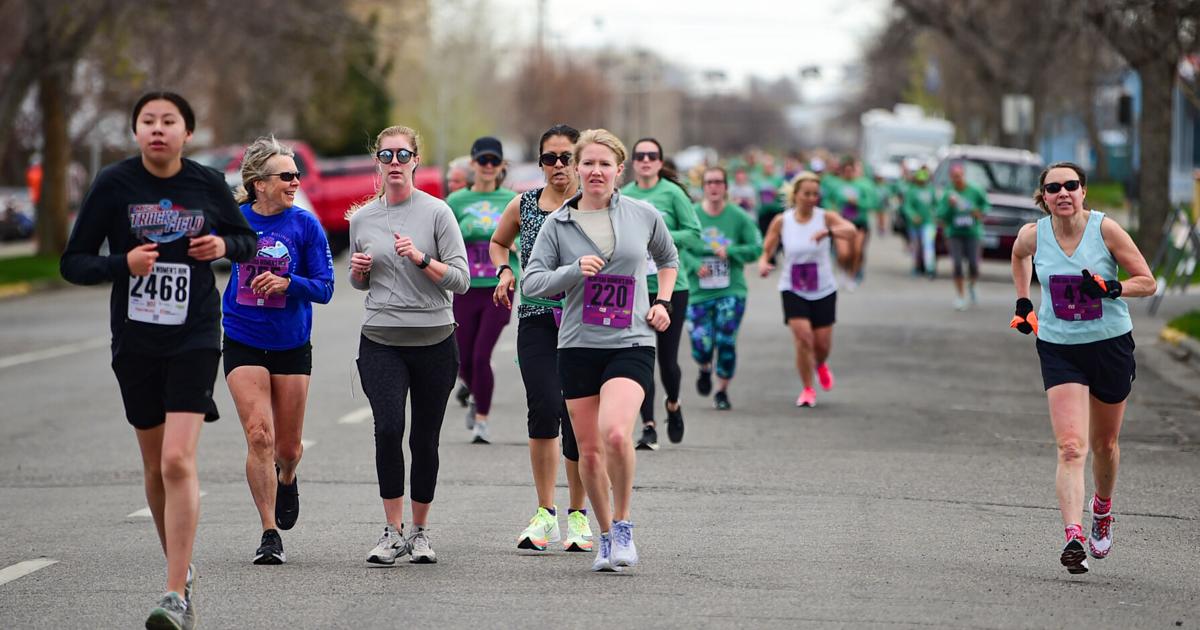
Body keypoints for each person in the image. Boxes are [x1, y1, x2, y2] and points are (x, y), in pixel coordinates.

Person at [60, 91, 257, 629]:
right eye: (148, 121)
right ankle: (182, 568)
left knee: (176, 460)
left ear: (187, 133)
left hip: (194, 333)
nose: (158, 129)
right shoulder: (114, 185)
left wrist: (222, 247)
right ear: (136, 131)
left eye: (169, 121)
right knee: (153, 466)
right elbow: (73, 262)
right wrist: (122, 263)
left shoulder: (205, 184)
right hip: (136, 339)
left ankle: (172, 593)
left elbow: (245, 240)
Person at [523, 128, 679, 572]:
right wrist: (573, 271)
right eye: (587, 163)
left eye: (604, 164)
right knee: (588, 451)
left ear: (618, 170)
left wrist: (663, 302)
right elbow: (534, 283)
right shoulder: (558, 224)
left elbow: (668, 260)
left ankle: (625, 525)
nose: (595, 171)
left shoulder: (643, 215)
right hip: (577, 344)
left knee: (615, 433)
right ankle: (606, 537)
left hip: (631, 340)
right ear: (575, 168)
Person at [1009, 161, 1153, 575]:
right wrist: (1023, 302)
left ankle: (1102, 511)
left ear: (1083, 191)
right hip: (1059, 348)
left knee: (1105, 444)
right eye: (1053, 188)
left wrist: (1112, 287)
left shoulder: (1105, 230)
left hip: (1109, 345)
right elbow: (1019, 257)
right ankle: (1073, 536)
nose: (1063, 193)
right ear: (1044, 197)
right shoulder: (1033, 235)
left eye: (1071, 185)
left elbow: (1148, 280)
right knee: (1072, 446)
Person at [348, 125, 469, 566]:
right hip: (381, 338)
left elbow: (462, 278)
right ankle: (392, 530)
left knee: (424, 438)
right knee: (387, 429)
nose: (394, 163)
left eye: (402, 155)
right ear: (376, 163)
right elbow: (359, 281)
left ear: (416, 160)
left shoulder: (437, 213)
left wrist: (421, 258)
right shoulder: (361, 218)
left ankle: (420, 532)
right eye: (386, 156)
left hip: (435, 338)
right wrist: (359, 269)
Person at [221, 137, 334, 565]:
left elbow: (325, 287)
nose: (295, 182)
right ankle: (269, 532)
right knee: (259, 435)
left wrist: (289, 284)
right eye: (287, 176)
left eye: (296, 175)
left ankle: (288, 477)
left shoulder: (305, 226)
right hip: (243, 337)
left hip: (290, 344)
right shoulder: (235, 221)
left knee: (287, 449)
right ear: (259, 183)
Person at [490, 124, 592, 552]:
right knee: (544, 407)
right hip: (536, 318)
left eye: (566, 157)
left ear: (579, 160)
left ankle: (580, 517)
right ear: (540, 163)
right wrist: (506, 269)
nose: (557, 166)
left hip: (585, 323)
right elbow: (499, 242)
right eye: (549, 158)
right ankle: (545, 513)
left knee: (577, 418)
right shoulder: (524, 204)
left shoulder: (594, 207)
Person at [619, 137, 702, 450]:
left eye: (652, 155)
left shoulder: (673, 193)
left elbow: (694, 234)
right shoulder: (624, 196)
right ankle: (648, 426)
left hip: (671, 289)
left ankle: (673, 404)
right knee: (642, 356)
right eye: (639, 155)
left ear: (660, 161)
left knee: (667, 360)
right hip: (636, 288)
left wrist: (657, 236)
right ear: (632, 162)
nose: (645, 160)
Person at [758, 172, 856, 408]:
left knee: (821, 345)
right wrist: (764, 262)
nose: (812, 198)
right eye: (807, 194)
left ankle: (821, 364)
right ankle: (808, 389)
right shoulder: (783, 220)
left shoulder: (826, 217)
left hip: (823, 288)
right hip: (792, 287)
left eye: (815, 194)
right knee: (804, 339)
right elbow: (768, 247)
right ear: (796, 195)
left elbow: (851, 231)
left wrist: (830, 232)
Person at [445, 137, 518, 443]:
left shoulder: (513, 200)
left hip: (500, 288)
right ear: (472, 164)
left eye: (494, 161)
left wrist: (516, 246)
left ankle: (482, 421)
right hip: (466, 287)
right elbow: (442, 239)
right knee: (461, 359)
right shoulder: (456, 202)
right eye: (482, 161)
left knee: (481, 355)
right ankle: (476, 391)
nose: (488, 167)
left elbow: (532, 240)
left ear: (501, 166)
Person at [688, 167, 762, 410]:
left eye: (719, 182)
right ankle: (704, 366)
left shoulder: (739, 217)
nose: (714, 187)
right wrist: (695, 264)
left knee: (726, 340)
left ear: (726, 187)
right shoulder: (692, 215)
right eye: (709, 182)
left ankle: (722, 390)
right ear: (703, 186)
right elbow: (675, 246)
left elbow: (755, 248)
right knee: (702, 344)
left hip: (731, 290)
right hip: (698, 291)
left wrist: (731, 252)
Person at [938, 162, 989, 310]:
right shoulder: (948, 194)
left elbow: (986, 206)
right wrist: (949, 206)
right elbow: (941, 214)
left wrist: (978, 212)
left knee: (974, 264)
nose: (957, 179)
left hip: (973, 233)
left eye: (959, 176)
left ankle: (972, 285)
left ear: (963, 176)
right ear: (951, 178)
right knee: (957, 264)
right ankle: (960, 296)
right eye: (954, 177)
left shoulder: (974, 190)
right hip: (954, 234)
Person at [903, 167, 937, 278]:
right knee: (916, 247)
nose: (922, 181)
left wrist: (935, 216)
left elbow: (936, 205)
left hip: (928, 223)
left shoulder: (931, 190)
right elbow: (907, 206)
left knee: (928, 245)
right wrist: (913, 215)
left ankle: (930, 268)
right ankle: (916, 267)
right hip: (914, 224)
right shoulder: (912, 190)